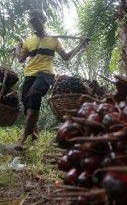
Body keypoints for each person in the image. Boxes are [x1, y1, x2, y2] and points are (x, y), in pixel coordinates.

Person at [14, 10, 89, 149]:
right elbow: (20, 59)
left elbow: (66, 57)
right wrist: (18, 48)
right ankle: (35, 132)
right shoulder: (29, 41)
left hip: (46, 74)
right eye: (32, 22)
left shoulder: (53, 40)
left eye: (37, 21)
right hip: (29, 74)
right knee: (27, 103)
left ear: (43, 21)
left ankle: (23, 138)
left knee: (34, 95)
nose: (34, 24)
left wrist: (80, 45)